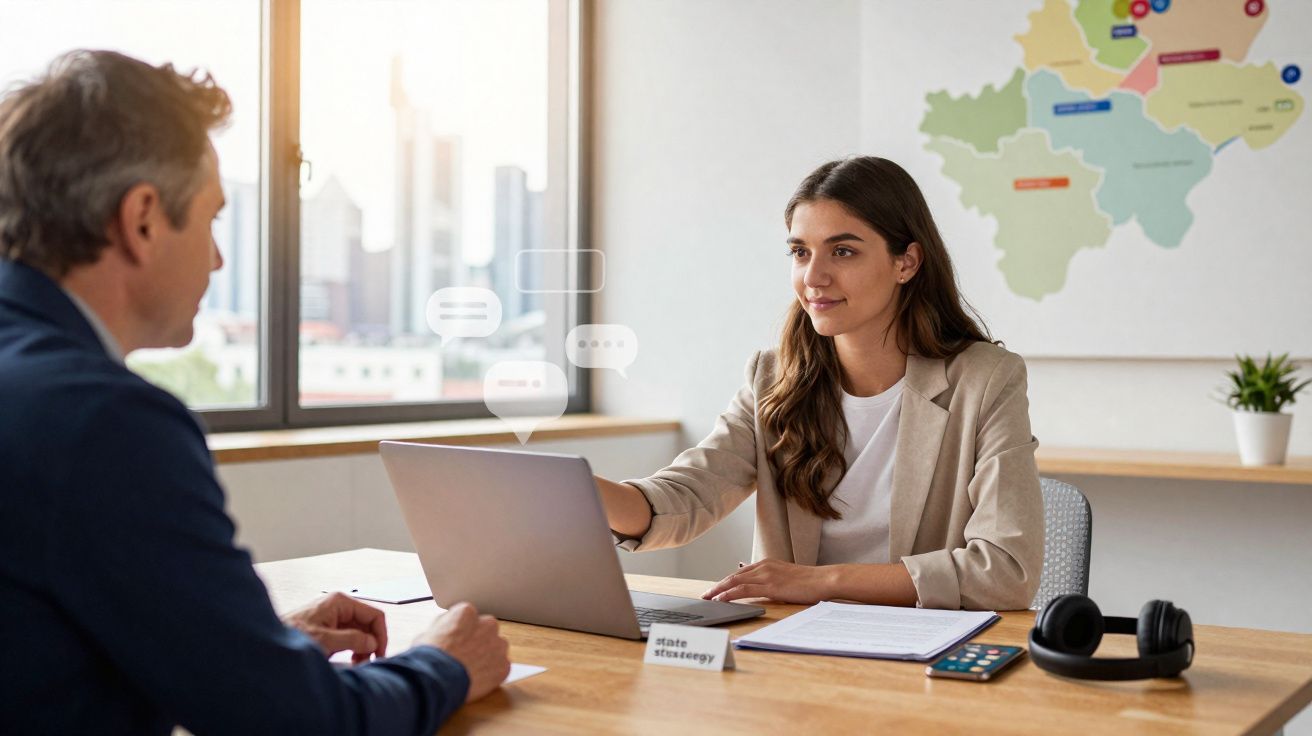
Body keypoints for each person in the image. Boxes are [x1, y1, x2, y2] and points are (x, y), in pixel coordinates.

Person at [0, 50, 509, 735]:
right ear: (143, 218)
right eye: (212, 220)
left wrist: (249, 645)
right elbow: (297, 724)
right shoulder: (104, 422)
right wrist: (444, 664)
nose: (217, 259)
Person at [595, 156, 1045, 612]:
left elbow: (1006, 572)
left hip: (921, 652)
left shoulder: (986, 380)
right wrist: (585, 492)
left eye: (843, 251)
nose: (813, 277)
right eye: (800, 252)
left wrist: (822, 582)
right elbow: (684, 498)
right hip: (793, 652)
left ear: (906, 262)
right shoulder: (771, 378)